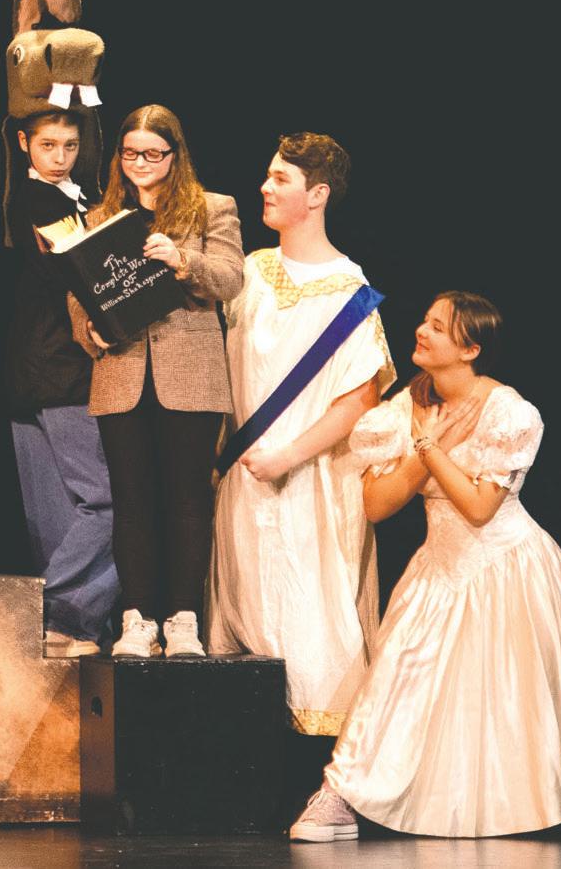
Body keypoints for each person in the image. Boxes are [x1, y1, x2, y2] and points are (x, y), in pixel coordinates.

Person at [288, 293, 561, 840]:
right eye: (425, 321)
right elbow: (376, 505)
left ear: (470, 349)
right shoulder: (405, 407)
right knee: (394, 680)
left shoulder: (508, 413)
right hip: (440, 568)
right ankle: (339, 795)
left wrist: (430, 449)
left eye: (438, 327)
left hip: (510, 564)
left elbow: (479, 507)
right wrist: (424, 449)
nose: (421, 331)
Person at [206, 133, 391, 735]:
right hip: (242, 479)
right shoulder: (250, 272)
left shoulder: (349, 290)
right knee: (244, 607)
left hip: (312, 483)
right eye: (268, 174)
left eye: (281, 179)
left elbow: (359, 398)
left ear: (318, 195)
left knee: (311, 615)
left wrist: (288, 454)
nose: (264, 187)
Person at [68, 106, 243, 658]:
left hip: (190, 373)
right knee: (132, 501)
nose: (140, 163)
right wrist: (91, 332)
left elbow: (231, 279)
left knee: (188, 498)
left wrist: (182, 259)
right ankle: (137, 618)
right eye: (130, 153)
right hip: (121, 372)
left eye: (152, 153)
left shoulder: (212, 207)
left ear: (174, 154)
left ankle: (184, 618)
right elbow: (79, 292)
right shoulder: (101, 216)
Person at [4, 108, 117, 657]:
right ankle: (54, 606)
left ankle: (65, 627)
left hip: (34, 369)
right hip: (57, 367)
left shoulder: (73, 197)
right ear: (24, 142)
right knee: (106, 500)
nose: (59, 157)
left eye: (70, 146)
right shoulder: (37, 200)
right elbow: (73, 273)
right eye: (48, 145)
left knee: (55, 513)